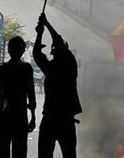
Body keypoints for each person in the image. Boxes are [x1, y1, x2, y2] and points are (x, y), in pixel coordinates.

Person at [0, 37, 36, 158]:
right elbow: (31, 95)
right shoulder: (27, 69)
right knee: (20, 151)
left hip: (3, 115)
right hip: (20, 116)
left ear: (9, 50)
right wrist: (33, 117)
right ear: (23, 50)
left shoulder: (2, 68)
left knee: (1, 150)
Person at [34, 13, 82, 158]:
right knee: (69, 154)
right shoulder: (70, 64)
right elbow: (58, 40)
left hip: (50, 117)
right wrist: (46, 24)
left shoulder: (50, 69)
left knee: (44, 154)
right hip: (66, 119)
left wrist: (40, 34)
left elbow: (37, 54)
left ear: (52, 52)